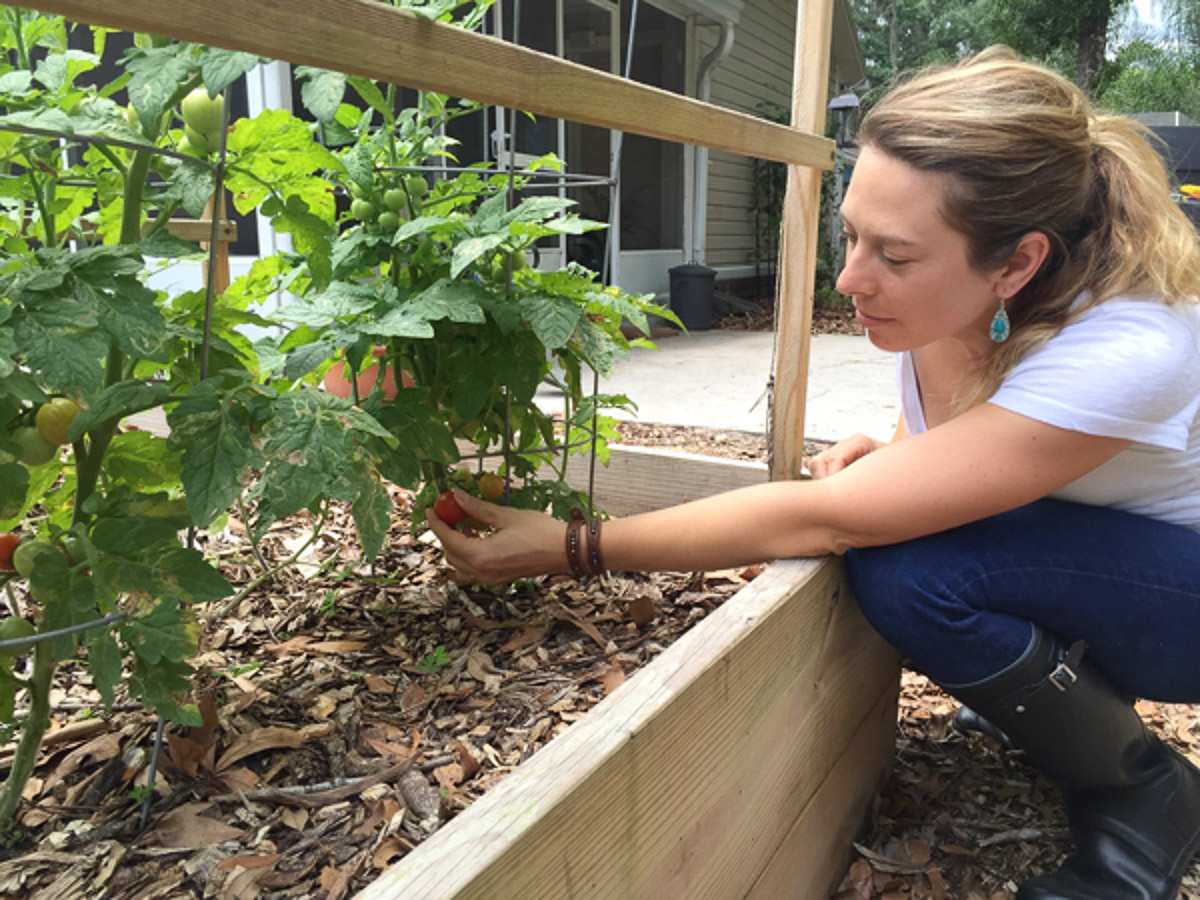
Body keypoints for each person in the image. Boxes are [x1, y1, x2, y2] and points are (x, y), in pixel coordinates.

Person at [428, 46, 1200, 899]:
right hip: (1146, 562)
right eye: (850, 235)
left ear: (1017, 262)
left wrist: (574, 545)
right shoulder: (983, 295)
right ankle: (1067, 712)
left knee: (914, 570)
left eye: (895, 256)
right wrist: (908, 461)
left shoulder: (1128, 345)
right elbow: (951, 437)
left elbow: (828, 518)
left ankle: (1143, 789)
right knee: (915, 537)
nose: (849, 278)